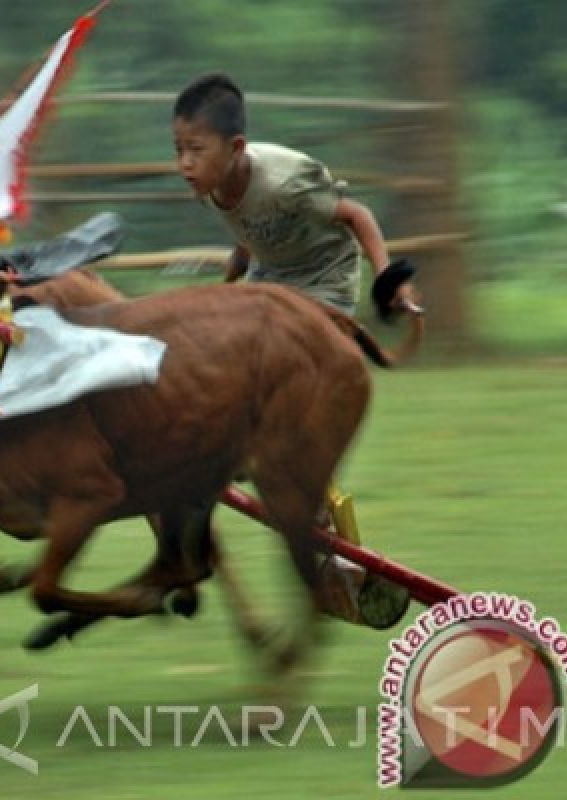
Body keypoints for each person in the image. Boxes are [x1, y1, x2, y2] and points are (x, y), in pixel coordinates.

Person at [172, 72, 414, 629]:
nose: (184, 163)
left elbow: (357, 217)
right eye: (178, 150)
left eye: (195, 150)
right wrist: (223, 294)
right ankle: (249, 456)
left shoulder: (284, 181)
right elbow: (251, 235)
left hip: (324, 281)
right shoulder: (214, 185)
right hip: (270, 277)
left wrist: (389, 280)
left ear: (235, 149)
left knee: (276, 380)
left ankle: (315, 518)